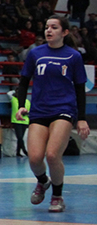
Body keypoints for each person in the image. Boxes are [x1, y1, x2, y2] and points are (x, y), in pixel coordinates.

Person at [16, 15, 89, 213]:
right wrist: (21, 105)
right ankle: (43, 182)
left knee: (52, 155)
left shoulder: (73, 56)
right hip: (39, 110)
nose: (48, 30)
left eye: (54, 27)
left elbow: (80, 89)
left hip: (64, 109)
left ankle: (57, 196)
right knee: (34, 158)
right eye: (47, 27)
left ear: (64, 32)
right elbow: (23, 82)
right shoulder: (35, 54)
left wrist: (81, 118)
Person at [9, 85, 31, 158]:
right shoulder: (13, 99)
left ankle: (18, 152)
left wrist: (26, 113)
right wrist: (17, 90)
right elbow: (8, 93)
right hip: (16, 121)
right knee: (20, 137)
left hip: (25, 121)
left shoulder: (27, 101)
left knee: (20, 138)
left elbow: (29, 111)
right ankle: (24, 150)